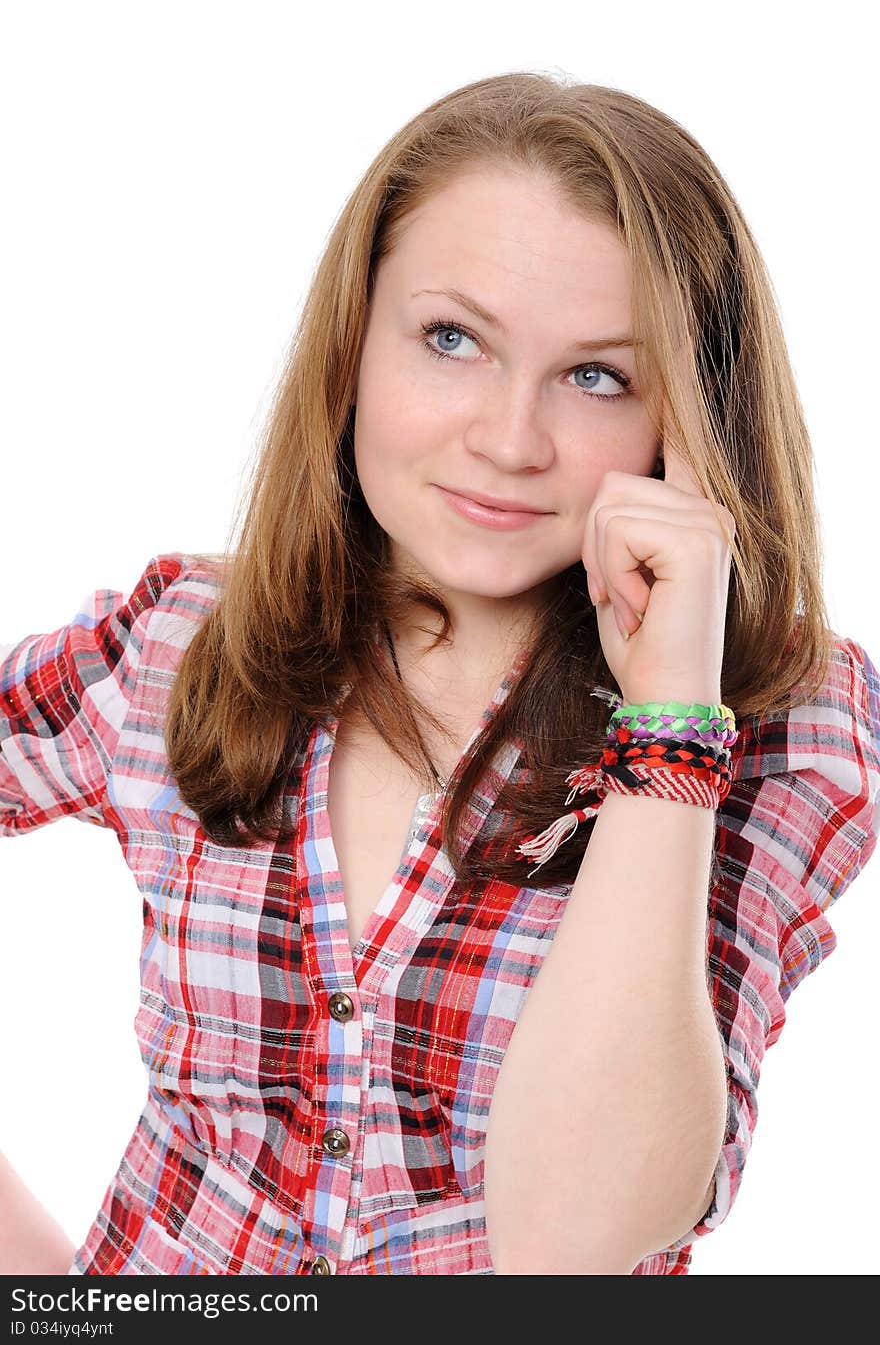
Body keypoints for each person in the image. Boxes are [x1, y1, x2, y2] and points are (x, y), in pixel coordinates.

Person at [2, 70, 878, 1277]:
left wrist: (670, 719)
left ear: (689, 417)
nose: (509, 441)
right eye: (452, 340)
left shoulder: (786, 718)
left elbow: (575, 1239)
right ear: (355, 341)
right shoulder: (177, 641)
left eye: (596, 376)